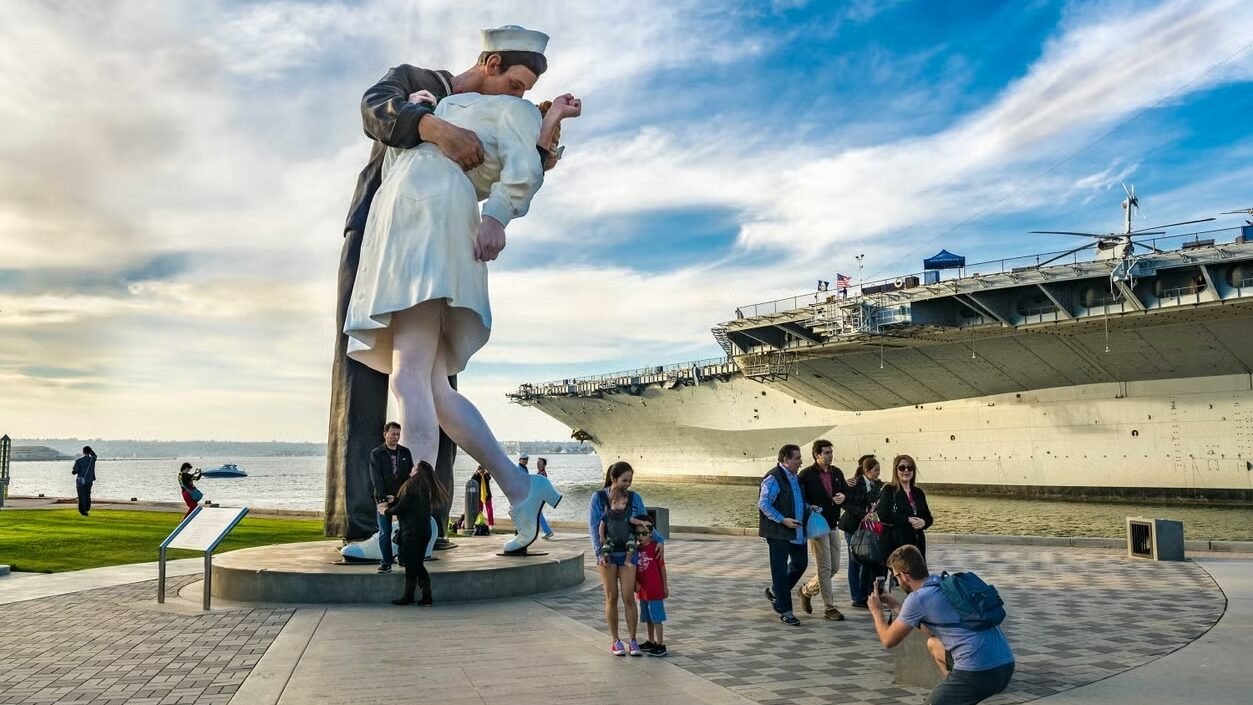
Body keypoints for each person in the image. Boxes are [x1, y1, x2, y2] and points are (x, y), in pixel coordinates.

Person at [342, 25, 580, 555]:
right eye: (515, 82)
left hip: (431, 228)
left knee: (409, 373)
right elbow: (382, 117)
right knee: (433, 388)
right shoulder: (433, 97)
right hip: (399, 230)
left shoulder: (508, 111)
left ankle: (416, 525)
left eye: (525, 89)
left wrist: (497, 214)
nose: (519, 94)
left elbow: (520, 168)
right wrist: (427, 113)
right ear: (491, 63)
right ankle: (521, 488)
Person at [868, 546, 1014, 705]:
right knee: (934, 644)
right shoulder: (943, 584)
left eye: (895, 576)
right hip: (1005, 665)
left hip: (977, 672)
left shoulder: (918, 598)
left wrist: (876, 611)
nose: (896, 580)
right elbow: (930, 631)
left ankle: (954, 693)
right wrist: (896, 605)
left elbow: (888, 640)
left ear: (903, 575)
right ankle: (953, 693)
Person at [589, 462, 664, 656]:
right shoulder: (598, 498)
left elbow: (644, 521)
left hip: (629, 554)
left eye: (630, 480)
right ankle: (615, 640)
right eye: (624, 480)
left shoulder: (634, 498)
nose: (627, 484)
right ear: (613, 479)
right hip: (608, 555)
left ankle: (633, 640)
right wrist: (600, 553)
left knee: (629, 598)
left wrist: (659, 539)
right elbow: (594, 526)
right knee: (611, 597)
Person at [382, 460, 449, 606]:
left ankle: (420, 596)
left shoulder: (411, 485)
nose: (411, 468)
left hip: (412, 532)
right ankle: (418, 595)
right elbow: (408, 504)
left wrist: (386, 511)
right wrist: (396, 502)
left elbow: (403, 507)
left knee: (413, 564)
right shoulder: (425, 487)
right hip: (424, 530)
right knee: (416, 563)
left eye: (414, 467)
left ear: (418, 471)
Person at [796, 438, 848, 620]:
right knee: (824, 567)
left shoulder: (837, 473)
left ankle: (806, 590)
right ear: (817, 455)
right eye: (826, 453)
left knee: (834, 567)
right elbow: (800, 499)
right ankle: (829, 607)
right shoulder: (806, 475)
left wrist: (843, 497)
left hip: (833, 523)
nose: (830, 456)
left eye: (831, 452)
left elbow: (844, 493)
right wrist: (810, 507)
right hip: (817, 525)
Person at [758, 444, 809, 626]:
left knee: (800, 563)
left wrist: (810, 509)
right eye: (797, 458)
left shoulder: (795, 478)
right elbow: (763, 504)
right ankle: (786, 610)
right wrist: (782, 520)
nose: (800, 461)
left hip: (798, 530)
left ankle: (775, 592)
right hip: (779, 532)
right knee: (779, 571)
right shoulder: (773, 478)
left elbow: (797, 501)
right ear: (785, 460)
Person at [369, 422, 414, 573]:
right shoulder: (377, 453)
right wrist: (382, 501)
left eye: (398, 434)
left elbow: (410, 476)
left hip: (402, 499)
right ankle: (386, 562)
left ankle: (402, 558)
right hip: (384, 500)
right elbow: (377, 478)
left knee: (405, 530)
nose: (396, 437)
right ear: (385, 434)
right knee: (385, 532)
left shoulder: (405, 452)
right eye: (393, 434)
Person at [840, 455, 884, 607]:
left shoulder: (877, 484)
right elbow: (846, 504)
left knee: (867, 558)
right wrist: (863, 513)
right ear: (866, 470)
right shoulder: (855, 484)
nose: (878, 473)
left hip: (867, 527)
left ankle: (866, 592)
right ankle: (856, 596)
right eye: (875, 470)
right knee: (855, 560)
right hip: (852, 525)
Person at [875, 454, 934, 558]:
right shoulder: (889, 490)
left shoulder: (918, 492)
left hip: (917, 544)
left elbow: (928, 517)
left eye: (910, 467)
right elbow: (884, 515)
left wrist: (923, 522)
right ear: (896, 470)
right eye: (902, 468)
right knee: (900, 573)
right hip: (896, 543)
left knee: (918, 573)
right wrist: (908, 520)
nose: (906, 470)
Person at [634, 519, 669, 657]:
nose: (640, 537)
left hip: (655, 588)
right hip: (643, 590)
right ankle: (651, 640)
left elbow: (662, 567)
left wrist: (665, 586)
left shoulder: (656, 547)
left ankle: (661, 644)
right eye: (638, 534)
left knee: (657, 617)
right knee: (647, 617)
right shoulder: (636, 550)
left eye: (644, 533)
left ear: (651, 534)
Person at [70, 446, 97, 516]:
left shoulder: (78, 461)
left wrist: (75, 471)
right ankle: (87, 509)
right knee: (88, 495)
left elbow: (74, 471)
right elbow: (95, 455)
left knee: (81, 496)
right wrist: (91, 452)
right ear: (90, 451)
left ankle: (82, 511)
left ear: (83, 452)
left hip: (80, 481)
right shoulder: (92, 460)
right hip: (89, 480)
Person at [535, 457, 554, 539]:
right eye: (537, 462)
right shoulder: (539, 472)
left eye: (540, 462)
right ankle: (547, 531)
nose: (538, 463)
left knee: (538, 514)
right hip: (539, 496)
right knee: (538, 514)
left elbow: (541, 486)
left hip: (539, 497)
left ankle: (548, 531)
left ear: (544, 464)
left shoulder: (542, 474)